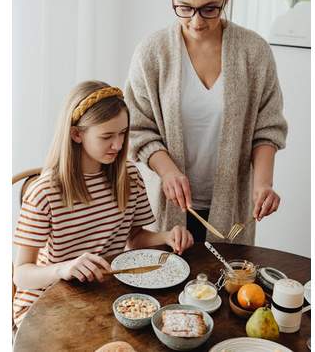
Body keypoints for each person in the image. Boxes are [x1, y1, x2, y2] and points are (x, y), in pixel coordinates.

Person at [124, 0, 288, 245]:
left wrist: (263, 184)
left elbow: (268, 127)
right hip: (168, 207)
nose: (196, 21)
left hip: (231, 209)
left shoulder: (253, 52)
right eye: (184, 8)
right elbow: (137, 127)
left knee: (231, 275)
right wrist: (168, 171)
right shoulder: (152, 53)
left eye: (209, 9)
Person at [12, 81, 194, 330]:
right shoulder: (44, 192)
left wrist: (167, 236)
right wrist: (63, 269)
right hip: (45, 300)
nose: (118, 145)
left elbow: (135, 238)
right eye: (107, 136)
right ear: (76, 134)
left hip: (100, 292)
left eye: (123, 133)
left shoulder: (130, 176)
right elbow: (21, 274)